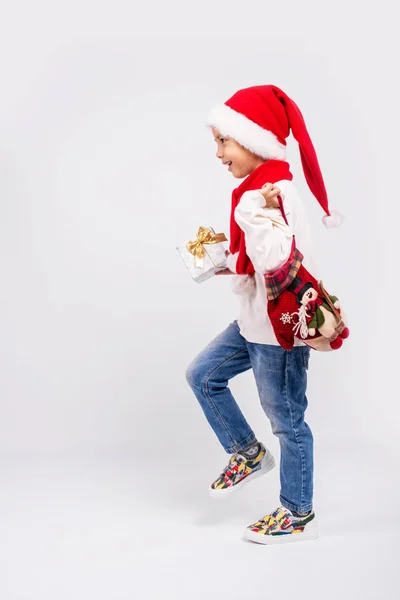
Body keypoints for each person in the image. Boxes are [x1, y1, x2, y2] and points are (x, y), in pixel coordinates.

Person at [186, 85, 341, 545]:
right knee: (202, 375)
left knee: (287, 420)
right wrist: (222, 257)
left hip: (280, 331)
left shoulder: (275, 192)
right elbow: (253, 260)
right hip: (252, 321)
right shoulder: (253, 190)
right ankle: (247, 453)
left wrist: (255, 216)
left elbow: (280, 263)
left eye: (223, 141)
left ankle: (297, 512)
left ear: (252, 140)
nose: (218, 154)